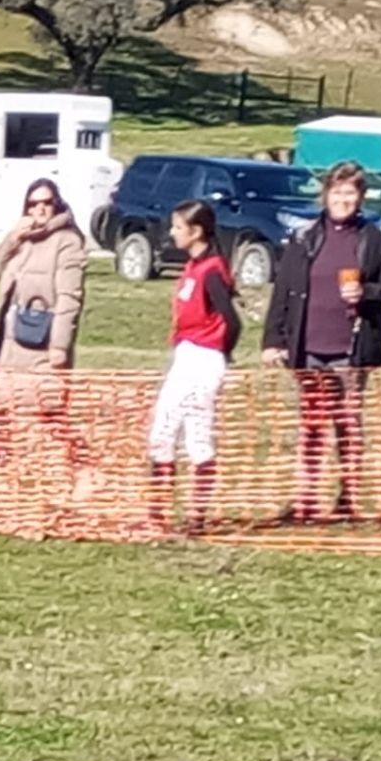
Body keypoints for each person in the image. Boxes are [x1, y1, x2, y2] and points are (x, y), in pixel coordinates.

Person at [261, 160, 381, 523]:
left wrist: (366, 291)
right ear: (325, 195)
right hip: (307, 345)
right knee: (310, 424)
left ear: (361, 197)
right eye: (337, 192)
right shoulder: (304, 237)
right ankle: (305, 497)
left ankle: (348, 498)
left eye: (350, 193)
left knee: (348, 422)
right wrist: (273, 339)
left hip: (351, 348)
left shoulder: (374, 239)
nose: (343, 199)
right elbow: (283, 292)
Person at [0, 178, 93, 490]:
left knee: (49, 411)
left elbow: (70, 298)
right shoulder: (23, 239)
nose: (39, 209)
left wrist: (60, 347)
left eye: (46, 202)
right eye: (33, 203)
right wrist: (12, 239)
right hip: (11, 340)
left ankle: (82, 468)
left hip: (44, 343)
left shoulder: (67, 242)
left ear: (57, 205)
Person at [147, 199, 242, 534]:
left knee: (184, 433)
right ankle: (164, 515)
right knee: (167, 432)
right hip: (187, 356)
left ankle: (186, 517)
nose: (172, 233)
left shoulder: (211, 269)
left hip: (202, 359)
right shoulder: (192, 267)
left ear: (196, 231)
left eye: (178, 227)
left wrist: (220, 350)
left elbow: (231, 320)